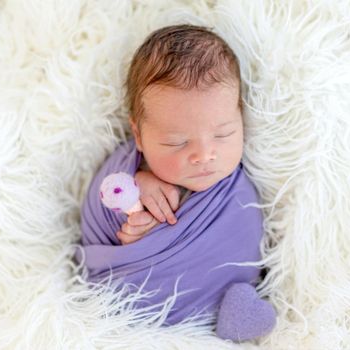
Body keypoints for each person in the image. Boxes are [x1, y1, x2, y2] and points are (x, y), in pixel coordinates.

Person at [78, 24, 276, 341]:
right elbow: (106, 202)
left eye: (223, 134)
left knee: (240, 296)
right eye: (177, 142)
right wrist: (136, 206)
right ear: (139, 135)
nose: (203, 155)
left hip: (226, 291)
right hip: (138, 300)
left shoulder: (234, 187)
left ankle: (234, 318)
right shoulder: (127, 168)